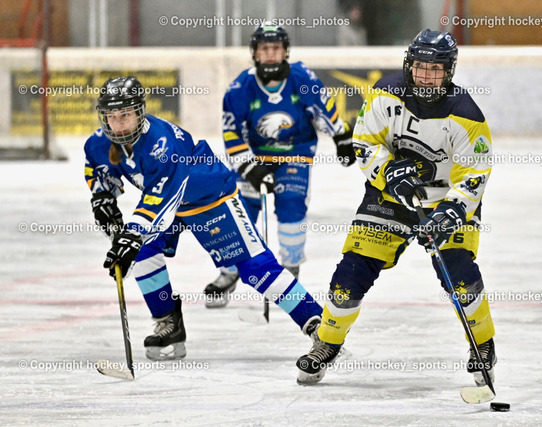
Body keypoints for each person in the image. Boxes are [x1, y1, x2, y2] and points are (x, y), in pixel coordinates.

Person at [296, 29, 497, 386]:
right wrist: (388, 172)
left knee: (460, 275)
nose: (426, 76)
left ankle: (482, 345)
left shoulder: (467, 115)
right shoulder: (384, 93)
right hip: (389, 195)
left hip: (446, 201)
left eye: (435, 69)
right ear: (409, 65)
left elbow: (474, 173)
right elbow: (364, 142)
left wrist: (451, 212)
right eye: (421, 67)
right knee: (352, 271)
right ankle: (326, 342)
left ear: (449, 71)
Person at [84, 76, 323, 361]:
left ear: (140, 112)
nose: (118, 123)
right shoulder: (98, 143)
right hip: (169, 203)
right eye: (111, 116)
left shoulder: (162, 142)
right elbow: (99, 170)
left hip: (210, 197)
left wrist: (131, 235)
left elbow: (161, 199)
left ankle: (318, 326)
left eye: (125, 115)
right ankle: (168, 323)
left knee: (255, 268)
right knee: (143, 251)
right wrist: (102, 197)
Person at [203, 22, 356, 308]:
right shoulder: (240, 88)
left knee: (291, 206)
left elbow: (324, 108)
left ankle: (289, 271)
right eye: (265, 49)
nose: (271, 54)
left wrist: (341, 136)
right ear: (255, 53)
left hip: (295, 154)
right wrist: (249, 167)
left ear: (286, 51)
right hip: (255, 157)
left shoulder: (302, 78)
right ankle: (230, 270)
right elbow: (231, 132)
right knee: (239, 213)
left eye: (276, 48)